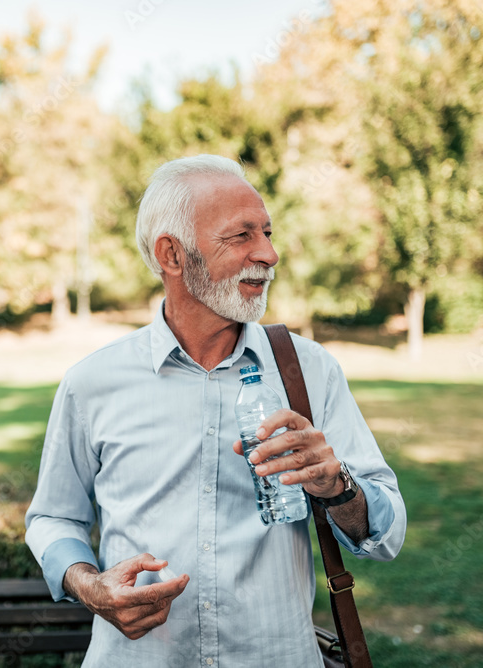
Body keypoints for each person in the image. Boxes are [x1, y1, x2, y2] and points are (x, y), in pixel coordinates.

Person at [25, 154, 406, 666]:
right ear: (172, 255)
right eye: (241, 236)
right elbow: (52, 517)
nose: (269, 254)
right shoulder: (92, 382)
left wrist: (336, 485)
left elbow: (387, 533)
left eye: (267, 233)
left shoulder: (310, 372)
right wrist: (88, 584)